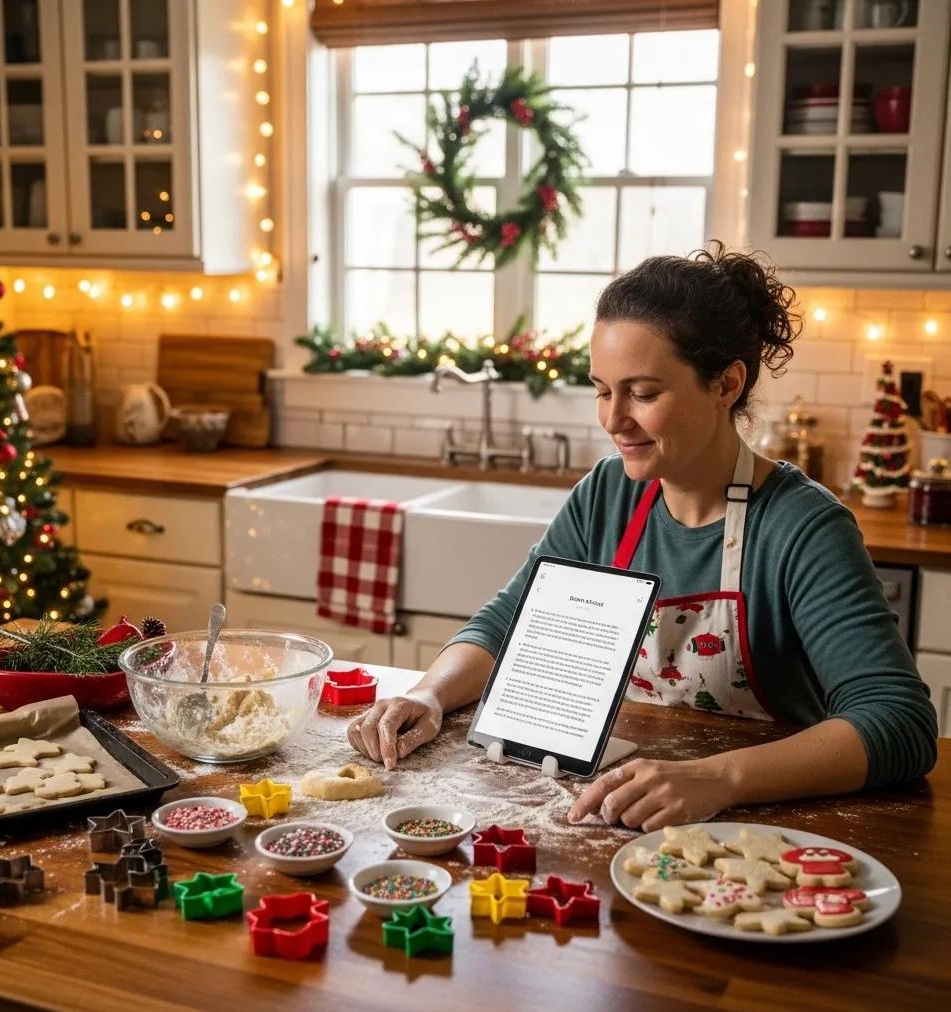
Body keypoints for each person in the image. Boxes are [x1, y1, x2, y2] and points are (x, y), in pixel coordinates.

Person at [347, 243, 938, 831]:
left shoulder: (802, 528)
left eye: (644, 393)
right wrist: (428, 694)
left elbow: (898, 722)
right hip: (620, 814)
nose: (613, 419)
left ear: (727, 384)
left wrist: (718, 779)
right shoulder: (609, 493)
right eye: (602, 390)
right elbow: (509, 623)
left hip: (755, 828)